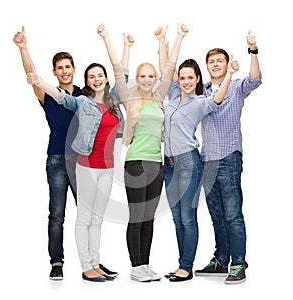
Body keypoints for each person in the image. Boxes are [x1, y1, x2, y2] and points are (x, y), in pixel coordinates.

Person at [13, 26, 128, 281]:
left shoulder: (84, 95)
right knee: (57, 213)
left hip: (83, 162)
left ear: (74, 70)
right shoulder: (50, 95)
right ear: (55, 72)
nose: (64, 71)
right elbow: (33, 77)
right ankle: (57, 261)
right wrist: (23, 48)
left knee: (89, 213)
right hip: (56, 159)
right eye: (60, 68)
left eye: (68, 67)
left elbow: (110, 89)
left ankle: (92, 261)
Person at [98, 22, 188, 282]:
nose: (148, 79)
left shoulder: (160, 96)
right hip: (135, 163)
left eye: (151, 75)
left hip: (156, 163)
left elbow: (170, 70)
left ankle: (145, 265)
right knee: (136, 215)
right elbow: (117, 71)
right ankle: (136, 266)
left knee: (148, 217)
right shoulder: (130, 97)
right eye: (143, 76)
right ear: (137, 79)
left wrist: (178, 37)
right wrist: (109, 38)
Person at [156, 28, 239, 282]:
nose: (186, 81)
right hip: (168, 164)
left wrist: (231, 74)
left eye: (191, 78)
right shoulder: (170, 94)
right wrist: (165, 41)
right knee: (176, 218)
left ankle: (186, 267)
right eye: (183, 77)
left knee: (187, 217)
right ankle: (181, 263)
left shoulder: (201, 101)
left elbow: (218, 99)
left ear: (197, 79)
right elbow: (165, 68)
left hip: (189, 162)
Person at [194, 30, 262, 284]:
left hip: (229, 157)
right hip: (207, 160)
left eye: (219, 61)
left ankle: (238, 263)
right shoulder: (202, 91)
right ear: (207, 66)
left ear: (226, 64)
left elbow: (255, 79)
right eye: (211, 61)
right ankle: (221, 260)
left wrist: (252, 50)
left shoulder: (235, 86)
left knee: (233, 213)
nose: (215, 64)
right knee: (216, 214)